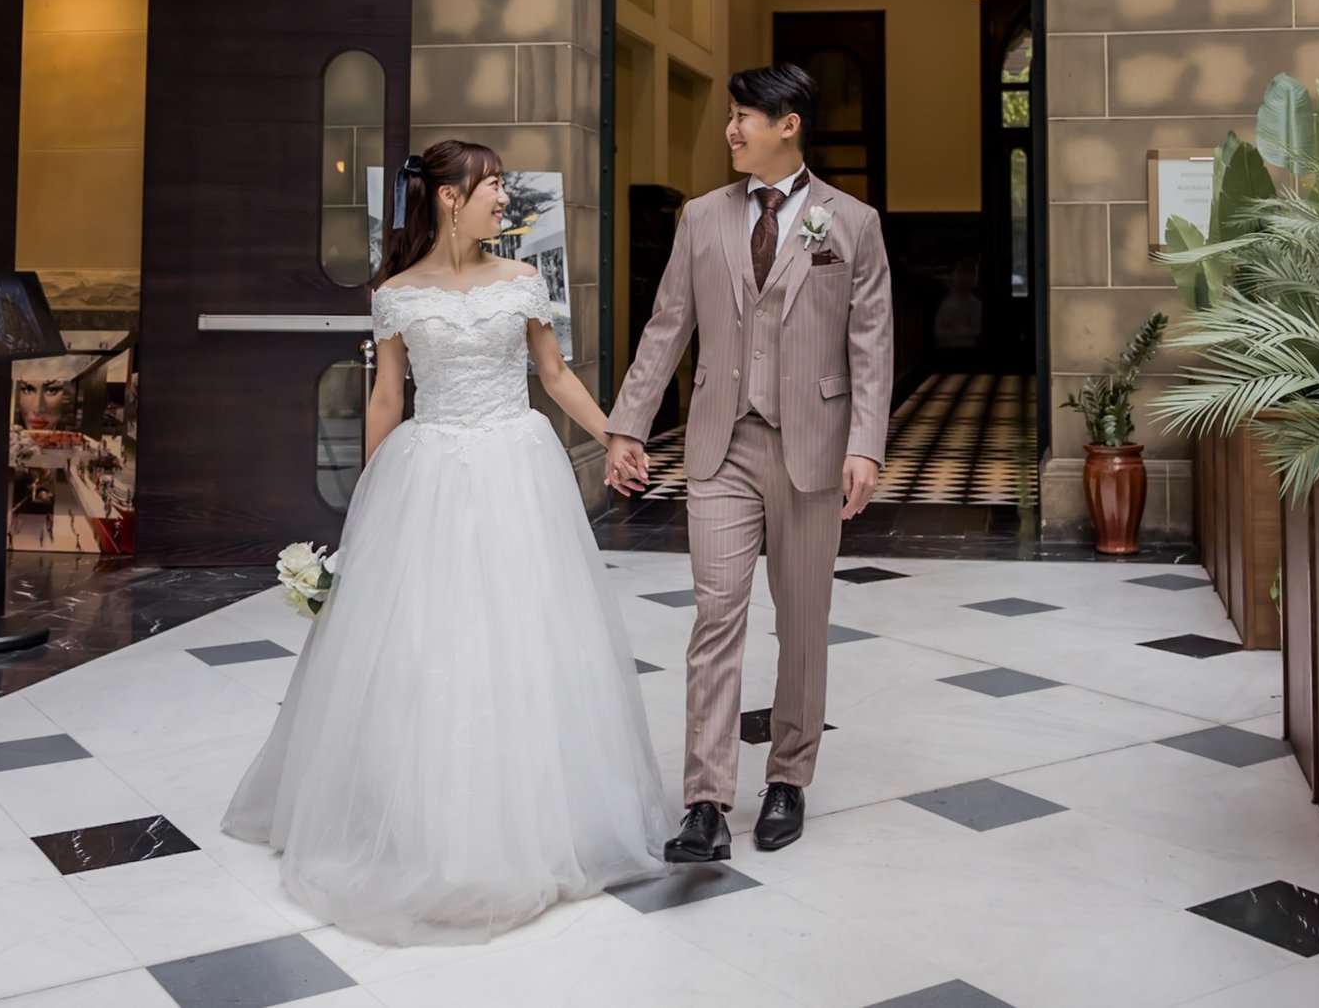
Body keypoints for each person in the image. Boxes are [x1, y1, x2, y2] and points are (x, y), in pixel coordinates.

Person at [223, 140, 668, 945]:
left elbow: (555, 374)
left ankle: (538, 815)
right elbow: (387, 397)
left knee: (528, 636)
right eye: (494, 185)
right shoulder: (394, 295)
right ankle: (429, 822)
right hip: (429, 474)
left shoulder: (525, 279)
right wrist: (363, 505)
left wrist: (617, 435)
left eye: (502, 184)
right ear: (448, 198)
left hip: (516, 465)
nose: (506, 198)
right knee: (433, 646)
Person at [604, 62, 894, 863]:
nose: (731, 130)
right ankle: (704, 799)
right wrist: (629, 423)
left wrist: (865, 442)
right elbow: (667, 326)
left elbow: (871, 341)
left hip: (813, 445)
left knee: (802, 623)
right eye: (730, 117)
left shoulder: (852, 222)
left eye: (743, 117)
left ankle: (789, 777)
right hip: (720, 444)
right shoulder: (701, 217)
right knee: (715, 616)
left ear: (788, 123)